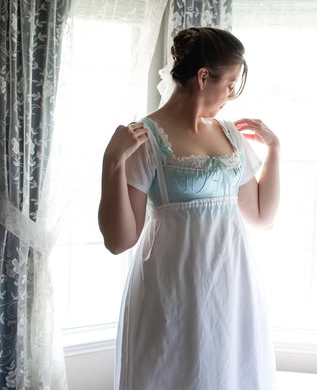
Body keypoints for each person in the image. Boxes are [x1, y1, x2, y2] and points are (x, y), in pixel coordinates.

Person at [98, 27, 280, 390]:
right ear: (202, 77)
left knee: (227, 371)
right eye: (229, 84)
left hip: (231, 284)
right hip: (171, 289)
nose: (230, 95)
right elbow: (119, 241)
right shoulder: (144, 138)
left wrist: (274, 150)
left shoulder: (230, 134)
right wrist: (111, 162)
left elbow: (262, 216)